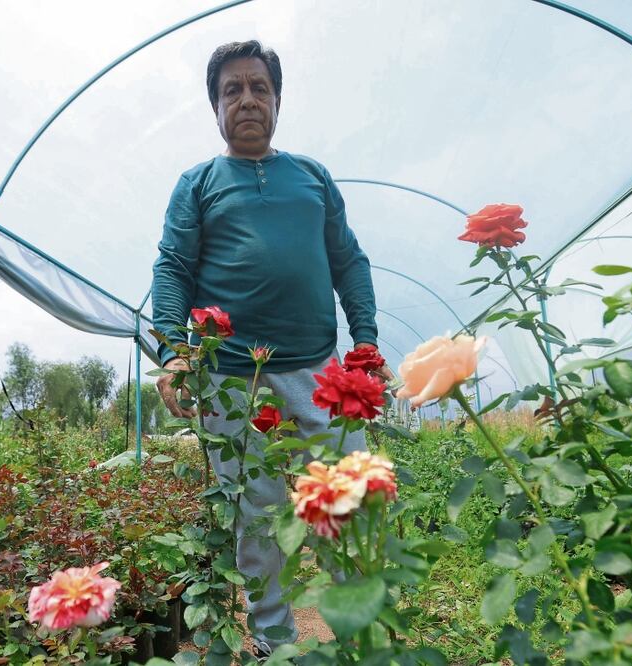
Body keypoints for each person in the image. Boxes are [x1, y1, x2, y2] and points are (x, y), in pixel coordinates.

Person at [150, 40, 392, 656]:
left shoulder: (311, 177)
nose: (247, 99)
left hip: (318, 370)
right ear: (215, 107)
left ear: (278, 100)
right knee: (254, 515)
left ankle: (357, 630)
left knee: (345, 495)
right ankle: (271, 639)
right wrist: (175, 352)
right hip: (233, 376)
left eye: (259, 87)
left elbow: (349, 260)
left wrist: (365, 341)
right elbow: (173, 267)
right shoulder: (198, 183)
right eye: (232, 90)